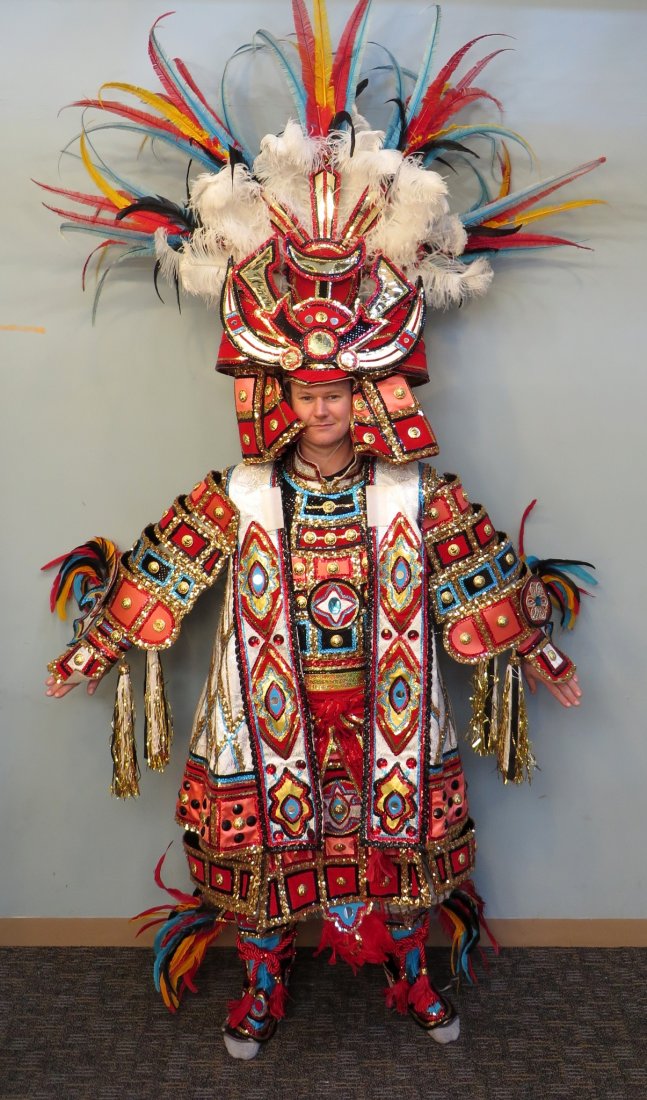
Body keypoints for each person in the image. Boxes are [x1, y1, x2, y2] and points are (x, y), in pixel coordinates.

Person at [42, 0, 596, 1063]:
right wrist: (96, 641)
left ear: (370, 392)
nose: (323, 405)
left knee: (396, 848)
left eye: (340, 389)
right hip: (266, 700)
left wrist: (538, 642)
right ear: (277, 392)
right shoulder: (241, 492)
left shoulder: (412, 494)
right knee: (265, 857)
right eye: (304, 388)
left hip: (380, 698)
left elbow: (478, 567)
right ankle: (256, 985)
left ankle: (410, 976)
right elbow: (168, 560)